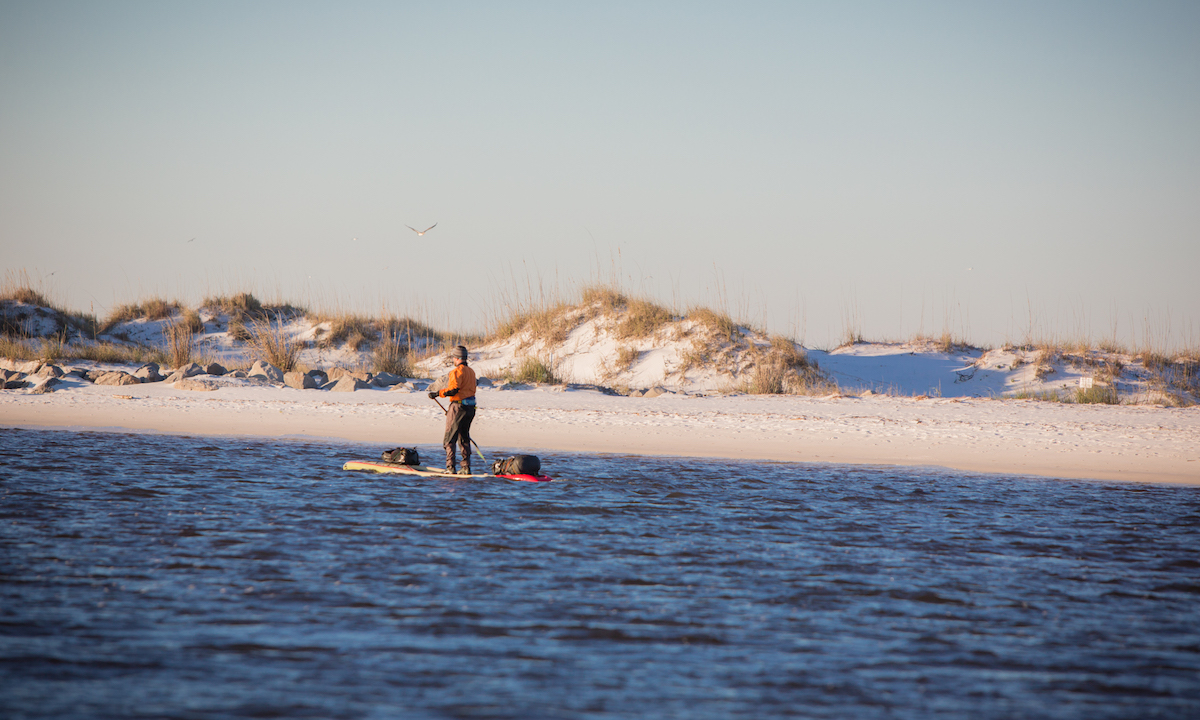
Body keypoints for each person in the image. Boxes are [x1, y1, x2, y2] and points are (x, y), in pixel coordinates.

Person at [428, 345, 477, 474]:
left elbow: (453, 390)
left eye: (454, 358)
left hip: (458, 407)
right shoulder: (471, 372)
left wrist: (437, 393)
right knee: (464, 438)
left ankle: (450, 468)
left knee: (449, 439)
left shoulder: (456, 372)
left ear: (457, 358)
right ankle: (465, 468)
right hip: (471, 408)